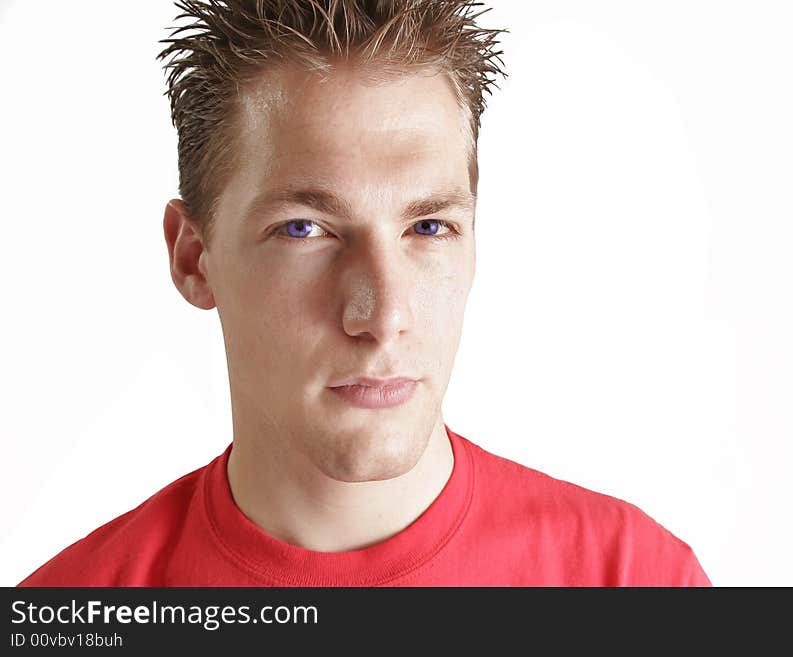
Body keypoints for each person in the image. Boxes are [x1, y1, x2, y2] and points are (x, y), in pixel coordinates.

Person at [18, 0, 710, 587]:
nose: (384, 315)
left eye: (429, 226)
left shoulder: (632, 581)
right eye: (304, 228)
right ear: (194, 258)